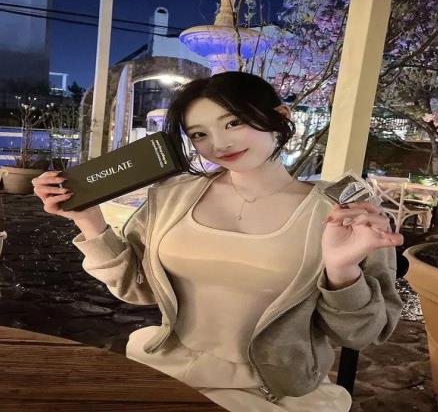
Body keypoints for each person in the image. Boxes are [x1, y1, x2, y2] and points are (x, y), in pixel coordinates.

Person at [32, 72, 404, 412]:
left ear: (281, 117)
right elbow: (137, 287)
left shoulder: (344, 212)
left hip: (274, 391)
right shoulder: (173, 196)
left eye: (234, 122)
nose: (219, 143)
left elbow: (363, 333)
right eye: (199, 134)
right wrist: (88, 219)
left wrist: (342, 271)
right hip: (169, 370)